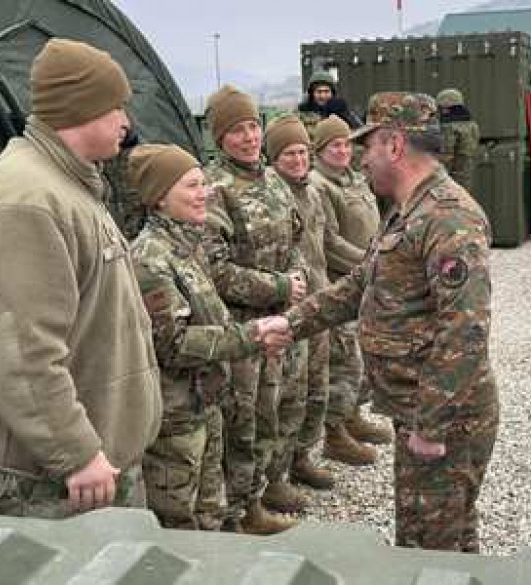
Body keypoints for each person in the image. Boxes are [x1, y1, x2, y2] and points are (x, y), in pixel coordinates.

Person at [260, 92, 499, 552]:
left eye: (367, 146)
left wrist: (431, 424)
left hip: (446, 421)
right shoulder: (410, 209)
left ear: (394, 145)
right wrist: (291, 325)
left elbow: (465, 329)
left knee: (434, 552)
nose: (361, 159)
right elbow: (359, 285)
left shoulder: (448, 217)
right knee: (433, 542)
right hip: (418, 413)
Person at [0, 38, 162, 519]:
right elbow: (15, 346)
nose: (126, 121)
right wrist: (75, 451)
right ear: (82, 108)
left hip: (87, 464)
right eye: (116, 106)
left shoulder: (62, 185)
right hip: (55, 479)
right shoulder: (26, 201)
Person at [127, 144, 273, 530]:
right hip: (176, 418)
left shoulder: (187, 245)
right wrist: (250, 336)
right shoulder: (150, 259)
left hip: (203, 403)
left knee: (210, 510)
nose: (204, 193)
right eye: (192, 186)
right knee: (178, 520)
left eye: (203, 184)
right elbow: (173, 345)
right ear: (160, 198)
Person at [203, 84, 307, 534]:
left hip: (279, 321)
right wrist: (280, 285)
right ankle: (236, 514)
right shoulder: (214, 189)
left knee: (273, 409)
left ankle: (261, 492)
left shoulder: (272, 179)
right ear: (219, 137)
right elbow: (216, 270)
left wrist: (296, 276)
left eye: (252, 127)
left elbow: (295, 237)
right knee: (241, 422)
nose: (248, 138)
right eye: (236, 130)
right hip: (242, 330)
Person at [309, 115, 392, 468]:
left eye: (346, 144)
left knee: (365, 353)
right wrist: (369, 262)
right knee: (343, 360)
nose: (343, 151)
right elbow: (329, 241)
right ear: (319, 150)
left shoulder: (355, 179)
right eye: (334, 145)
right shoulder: (319, 186)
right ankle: (335, 433)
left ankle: (353, 414)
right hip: (342, 280)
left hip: (366, 278)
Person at [262, 115, 334, 499]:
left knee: (315, 390)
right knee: (287, 396)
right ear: (274, 158)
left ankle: (301, 457)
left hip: (318, 303)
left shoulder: (312, 193)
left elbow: (324, 247)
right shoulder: (271, 196)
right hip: (290, 310)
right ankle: (275, 478)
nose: (298, 159)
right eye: (289, 153)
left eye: (303, 151)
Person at [436, 88, 480, 191]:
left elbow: (446, 155)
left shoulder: (449, 126)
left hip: (450, 177)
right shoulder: (472, 124)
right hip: (466, 174)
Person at [297, 70, 361, 139]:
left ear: (332, 93)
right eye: (319, 92)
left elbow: (359, 131)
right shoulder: (302, 114)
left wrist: (341, 115)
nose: (322, 96)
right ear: (312, 93)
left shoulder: (342, 110)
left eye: (326, 92)